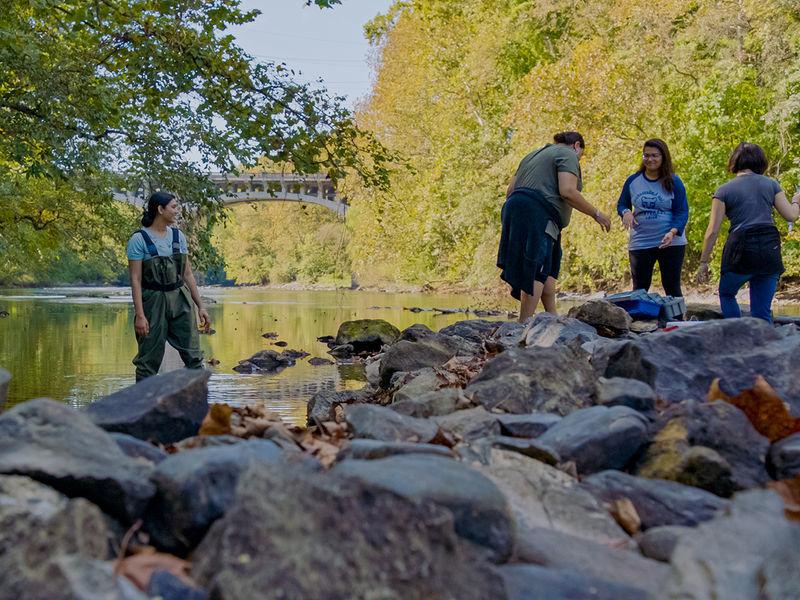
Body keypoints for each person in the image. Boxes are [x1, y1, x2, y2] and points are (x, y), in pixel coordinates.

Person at [497, 131, 612, 321]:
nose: (579, 159)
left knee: (547, 270)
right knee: (537, 267)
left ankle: (553, 318)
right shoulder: (568, 154)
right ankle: (523, 323)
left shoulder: (533, 154)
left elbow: (510, 191)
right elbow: (567, 191)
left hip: (515, 209)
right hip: (538, 213)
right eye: (581, 155)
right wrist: (596, 214)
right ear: (576, 145)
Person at [697, 142, 800, 322]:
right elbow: (791, 216)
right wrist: (797, 201)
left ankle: (737, 333)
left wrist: (703, 262)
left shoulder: (724, 190)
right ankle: (767, 346)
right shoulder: (771, 184)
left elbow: (712, 231)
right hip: (769, 251)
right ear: (760, 162)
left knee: (727, 294)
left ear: (734, 162)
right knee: (761, 313)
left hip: (740, 251)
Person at [127, 191, 211, 381]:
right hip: (152, 303)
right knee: (147, 361)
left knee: (194, 356)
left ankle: (199, 403)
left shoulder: (178, 236)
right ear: (160, 209)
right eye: (174, 207)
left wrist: (201, 306)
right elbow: (135, 280)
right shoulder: (138, 240)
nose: (177, 211)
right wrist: (140, 316)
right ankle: (144, 405)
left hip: (180, 300)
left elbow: (187, 274)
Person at [616, 139, 689, 299]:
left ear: (663, 157)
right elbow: (622, 204)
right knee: (640, 288)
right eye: (646, 155)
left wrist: (672, 232)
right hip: (641, 240)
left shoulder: (674, 181)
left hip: (670, 241)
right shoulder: (633, 181)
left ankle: (677, 322)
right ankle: (639, 322)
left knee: (671, 285)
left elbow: (682, 211)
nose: (650, 159)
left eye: (655, 155)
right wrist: (626, 212)